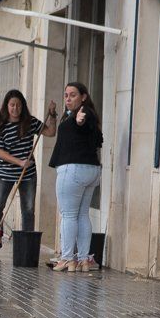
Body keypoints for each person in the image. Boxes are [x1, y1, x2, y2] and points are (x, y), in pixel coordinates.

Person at [0, 89, 57, 254]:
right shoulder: (0, 125)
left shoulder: (30, 122)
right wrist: (19, 162)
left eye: (18, 105)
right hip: (5, 173)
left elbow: (50, 132)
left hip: (27, 174)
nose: (15, 108)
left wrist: (52, 115)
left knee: (28, 209)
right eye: (12, 105)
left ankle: (27, 248)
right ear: (6, 106)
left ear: (22, 106)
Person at [48, 82, 103, 272]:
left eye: (73, 95)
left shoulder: (83, 115)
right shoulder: (90, 117)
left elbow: (80, 122)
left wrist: (78, 120)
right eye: (66, 95)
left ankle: (67, 259)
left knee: (69, 215)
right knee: (82, 214)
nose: (68, 99)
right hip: (91, 171)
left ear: (83, 97)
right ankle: (84, 260)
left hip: (72, 170)